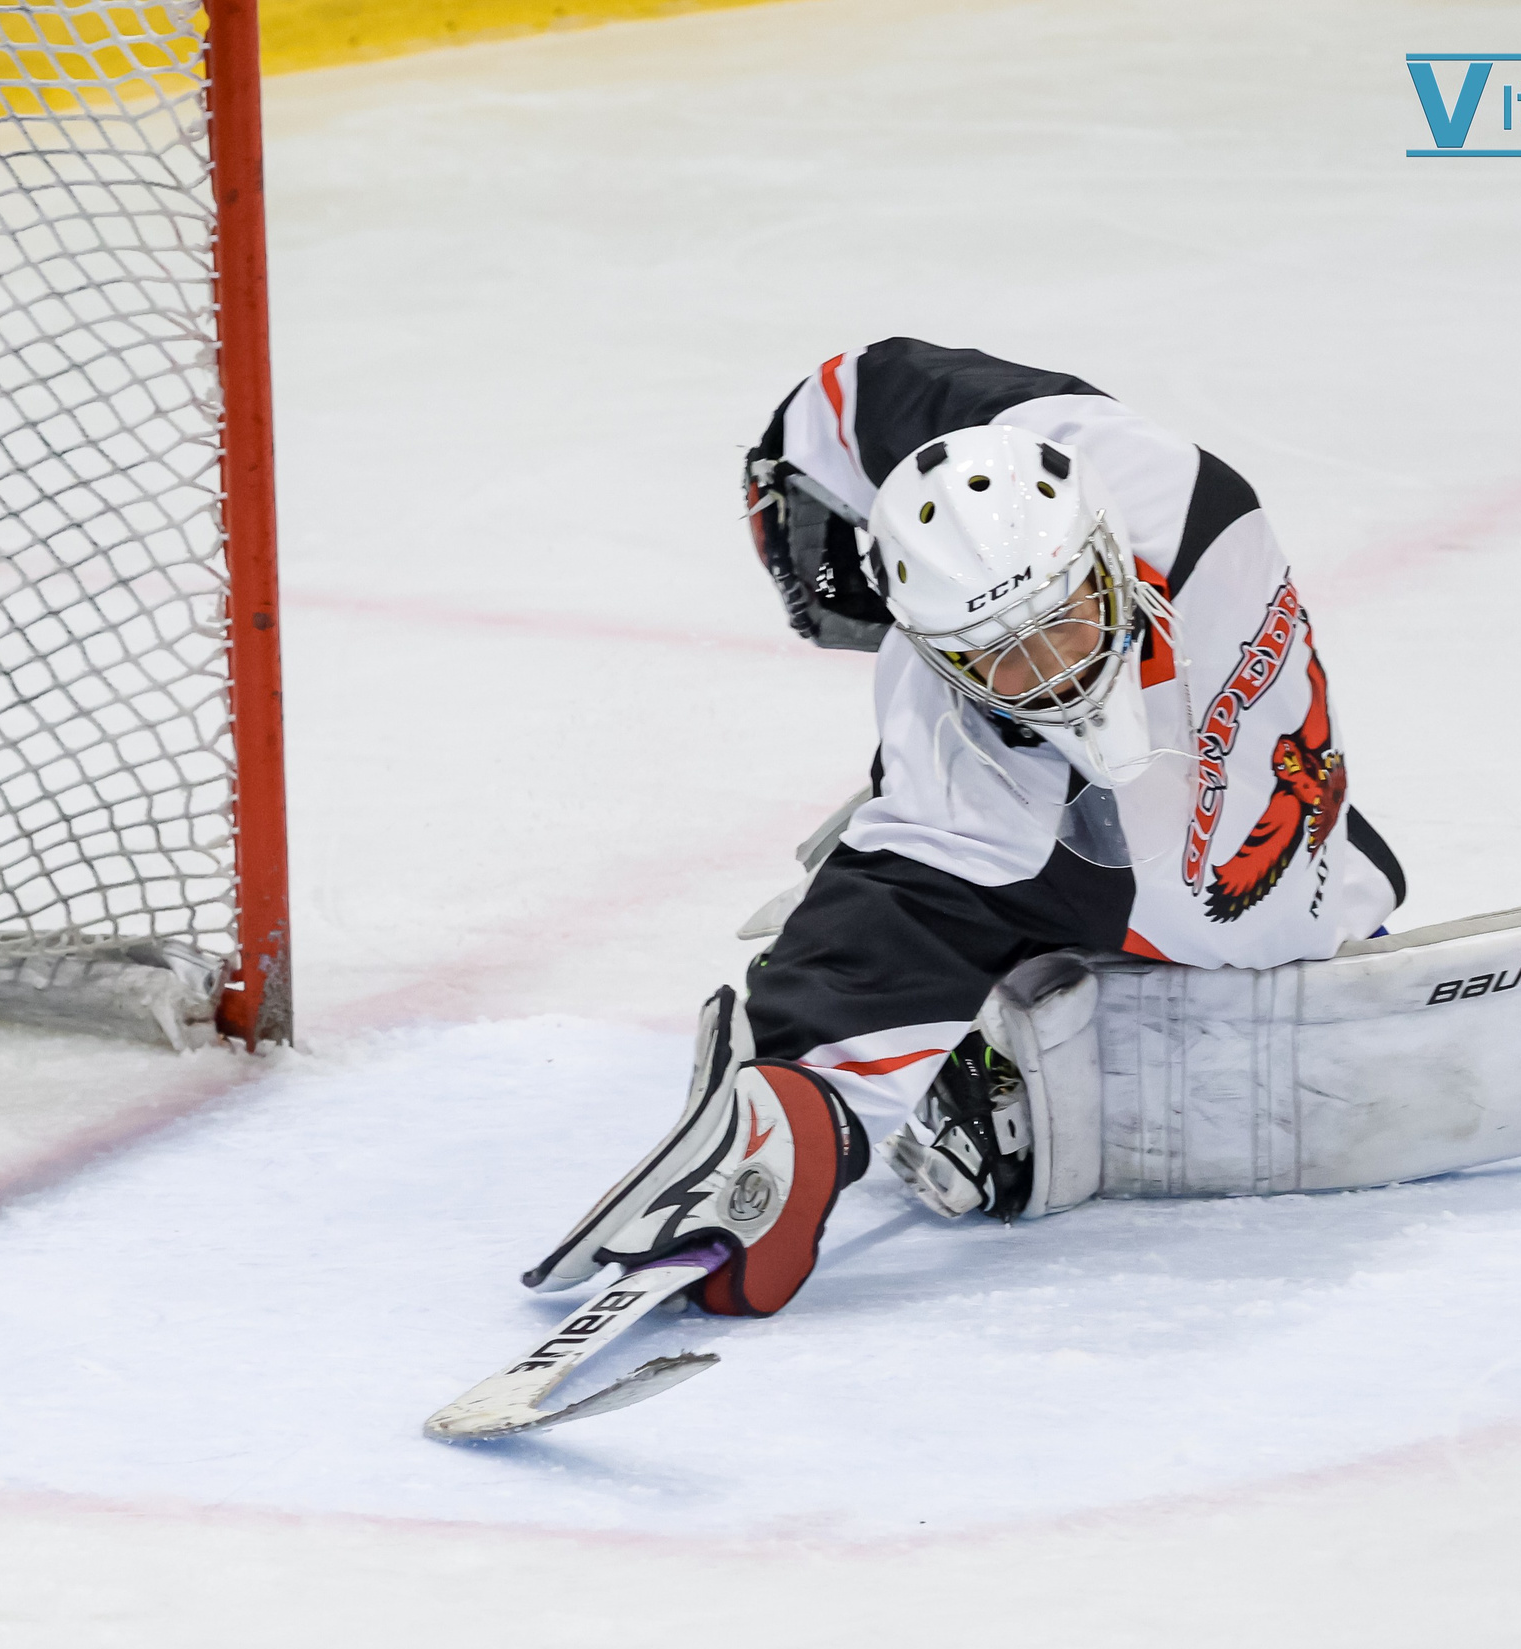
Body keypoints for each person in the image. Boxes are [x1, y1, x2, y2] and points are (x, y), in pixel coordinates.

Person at [524, 336, 1406, 1317]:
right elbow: (900, 909)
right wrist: (798, 1111)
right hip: (1114, 818)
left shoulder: (1159, 503)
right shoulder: (974, 722)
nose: (1051, 667)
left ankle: (1009, 1020)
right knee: (968, 860)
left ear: (1103, 554)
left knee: (1222, 915)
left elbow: (879, 391)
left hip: (1223, 872)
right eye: (999, 656)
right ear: (941, 658)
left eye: (1064, 619)